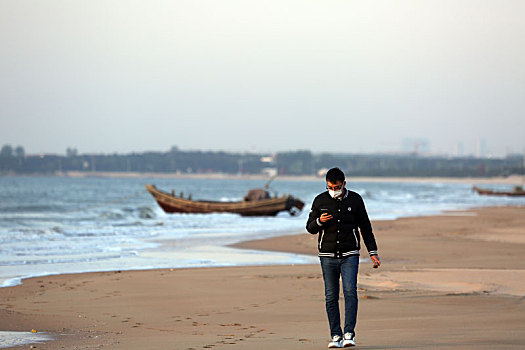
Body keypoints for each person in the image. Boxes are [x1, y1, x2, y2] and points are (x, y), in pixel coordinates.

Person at [306, 167, 380, 348]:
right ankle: (336, 336)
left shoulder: (355, 200)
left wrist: (373, 252)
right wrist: (319, 221)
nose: (333, 191)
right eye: (330, 187)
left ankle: (349, 334)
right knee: (331, 296)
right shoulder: (320, 200)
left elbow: (365, 227)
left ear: (344, 184)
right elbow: (310, 227)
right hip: (327, 255)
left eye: (336, 187)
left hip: (350, 254)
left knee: (350, 292)